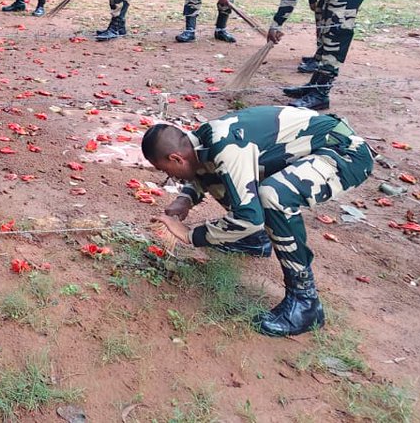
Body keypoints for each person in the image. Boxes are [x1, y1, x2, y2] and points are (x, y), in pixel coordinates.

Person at [142, 106, 374, 337]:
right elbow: (209, 169)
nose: (170, 177)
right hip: (307, 151)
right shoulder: (201, 143)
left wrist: (190, 235)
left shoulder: (225, 144)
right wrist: (186, 198)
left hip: (345, 153)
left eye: (167, 171)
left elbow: (248, 218)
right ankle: (253, 241)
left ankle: (305, 303)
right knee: (238, 183)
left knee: (273, 196)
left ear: (176, 158)